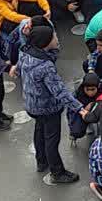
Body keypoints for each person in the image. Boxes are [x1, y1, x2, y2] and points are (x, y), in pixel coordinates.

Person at [16, 21, 83, 185]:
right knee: (52, 140)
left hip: (32, 104)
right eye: (53, 36)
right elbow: (59, 91)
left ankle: (41, 162)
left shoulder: (25, 52)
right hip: (48, 108)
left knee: (39, 131)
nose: (56, 38)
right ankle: (57, 172)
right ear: (45, 42)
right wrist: (79, 108)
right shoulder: (45, 66)